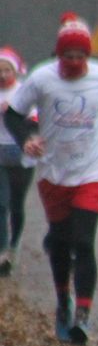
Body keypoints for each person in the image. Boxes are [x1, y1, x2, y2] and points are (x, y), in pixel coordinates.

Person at [3, 13, 98, 344]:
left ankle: (83, 314)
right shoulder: (42, 78)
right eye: (69, 56)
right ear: (59, 55)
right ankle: (63, 299)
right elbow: (14, 114)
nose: (75, 63)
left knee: (83, 241)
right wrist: (27, 140)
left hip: (92, 169)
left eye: (81, 56)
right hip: (53, 170)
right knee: (61, 244)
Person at [0, 47, 37, 276]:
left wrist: (15, 113)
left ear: (16, 71)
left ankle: (14, 244)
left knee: (16, 204)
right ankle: (2, 250)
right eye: (0, 70)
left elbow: (35, 119)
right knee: (1, 203)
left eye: (7, 70)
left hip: (21, 152)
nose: (3, 75)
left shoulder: (24, 92)